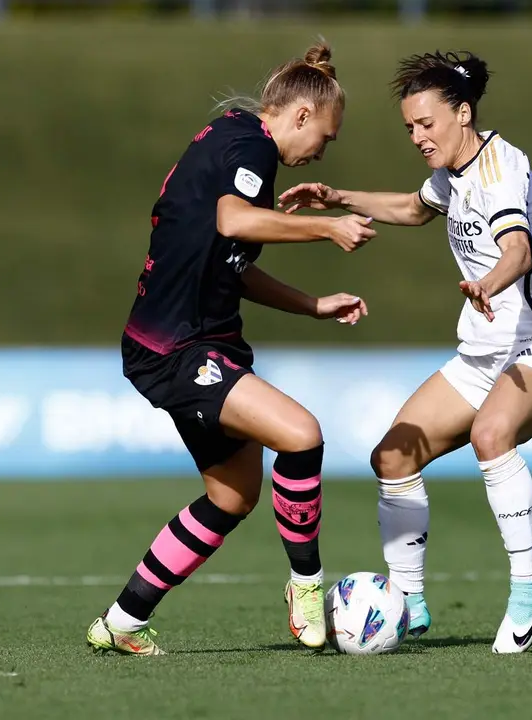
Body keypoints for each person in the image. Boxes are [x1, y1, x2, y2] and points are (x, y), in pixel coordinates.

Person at [278, 50, 532, 654]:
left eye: (427, 124)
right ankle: (409, 598)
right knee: (393, 457)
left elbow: (517, 250)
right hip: (483, 357)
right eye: (410, 128)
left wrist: (486, 285)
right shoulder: (454, 173)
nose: (418, 137)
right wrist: (337, 196)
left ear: (463, 113)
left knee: (491, 436)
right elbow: (415, 209)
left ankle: (528, 588)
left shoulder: (500, 168)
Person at [86, 41, 375, 656]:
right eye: (324, 136)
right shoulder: (251, 147)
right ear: (299, 116)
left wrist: (314, 304)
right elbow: (233, 222)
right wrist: (327, 226)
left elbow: (234, 266)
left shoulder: (234, 139)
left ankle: (120, 622)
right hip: (177, 348)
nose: (321, 150)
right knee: (301, 433)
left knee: (233, 494)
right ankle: (306, 591)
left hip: (186, 341)